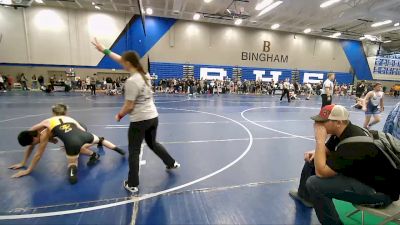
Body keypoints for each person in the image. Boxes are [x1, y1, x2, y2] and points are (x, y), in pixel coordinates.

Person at [91, 38, 180, 194]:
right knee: (152, 143)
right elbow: (120, 58)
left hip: (139, 121)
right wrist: (104, 50)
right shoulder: (144, 73)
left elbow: (129, 106)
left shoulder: (132, 81)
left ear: (128, 64)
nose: (121, 64)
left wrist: (119, 115)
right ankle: (171, 163)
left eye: (123, 63)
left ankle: (132, 183)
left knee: (134, 151)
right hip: (153, 117)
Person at [289, 105, 400, 225]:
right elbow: (326, 150)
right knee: (314, 159)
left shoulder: (354, 144)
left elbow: (321, 172)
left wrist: (320, 140)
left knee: (314, 183)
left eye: (323, 122)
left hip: (380, 193)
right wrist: (317, 151)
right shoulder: (344, 131)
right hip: (365, 178)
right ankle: (305, 196)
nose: (318, 124)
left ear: (338, 123)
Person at [10, 104, 125, 184]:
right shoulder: (36, 131)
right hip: (77, 130)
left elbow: (38, 154)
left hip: (78, 130)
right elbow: (32, 146)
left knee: (76, 149)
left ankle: (93, 153)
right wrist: (23, 162)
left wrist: (28, 170)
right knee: (78, 144)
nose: (34, 144)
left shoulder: (45, 129)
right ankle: (100, 144)